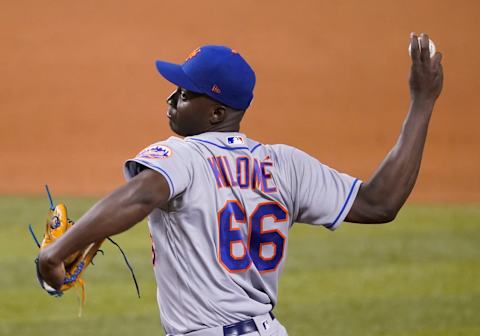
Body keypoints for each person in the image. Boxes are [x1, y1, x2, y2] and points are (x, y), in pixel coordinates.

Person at [38, 33, 443, 336]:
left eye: (184, 93)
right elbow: (380, 202)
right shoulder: (285, 165)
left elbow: (142, 194)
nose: (171, 99)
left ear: (216, 113)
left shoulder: (183, 155)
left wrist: (58, 252)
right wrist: (422, 102)